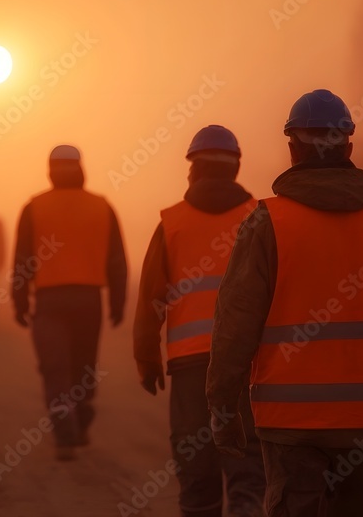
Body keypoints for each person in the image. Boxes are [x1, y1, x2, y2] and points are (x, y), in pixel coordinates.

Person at [207, 89, 363, 517]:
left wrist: (223, 407)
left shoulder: (266, 222)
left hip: (290, 423)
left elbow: (235, 323)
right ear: (348, 146)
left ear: (292, 147)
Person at [133, 125, 266, 517]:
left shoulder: (172, 224)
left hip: (191, 365)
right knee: (248, 453)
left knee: (195, 454)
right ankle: (246, 507)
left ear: (193, 169)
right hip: (251, 364)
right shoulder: (261, 219)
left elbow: (150, 298)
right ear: (235, 168)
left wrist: (146, 357)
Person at [12, 144, 128, 461]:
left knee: (55, 368)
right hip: (89, 301)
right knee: (82, 366)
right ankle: (82, 417)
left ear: (49, 169)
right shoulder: (101, 206)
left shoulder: (34, 207)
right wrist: (118, 302)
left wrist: (19, 300)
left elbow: (22, 260)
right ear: (81, 167)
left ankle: (65, 432)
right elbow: (117, 261)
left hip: (50, 300)